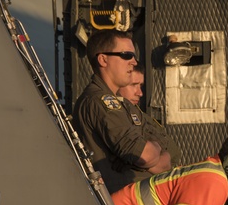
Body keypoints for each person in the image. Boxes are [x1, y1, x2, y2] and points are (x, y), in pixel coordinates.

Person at [73, 30, 171, 193]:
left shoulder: (124, 104)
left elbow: (167, 158)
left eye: (133, 55)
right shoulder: (100, 102)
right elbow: (145, 155)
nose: (133, 62)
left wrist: (146, 152)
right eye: (126, 55)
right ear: (103, 59)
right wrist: (147, 154)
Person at [118, 65, 182, 166]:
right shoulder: (118, 115)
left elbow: (173, 150)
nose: (140, 93)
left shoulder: (139, 114)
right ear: (118, 83)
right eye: (133, 85)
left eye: (140, 86)